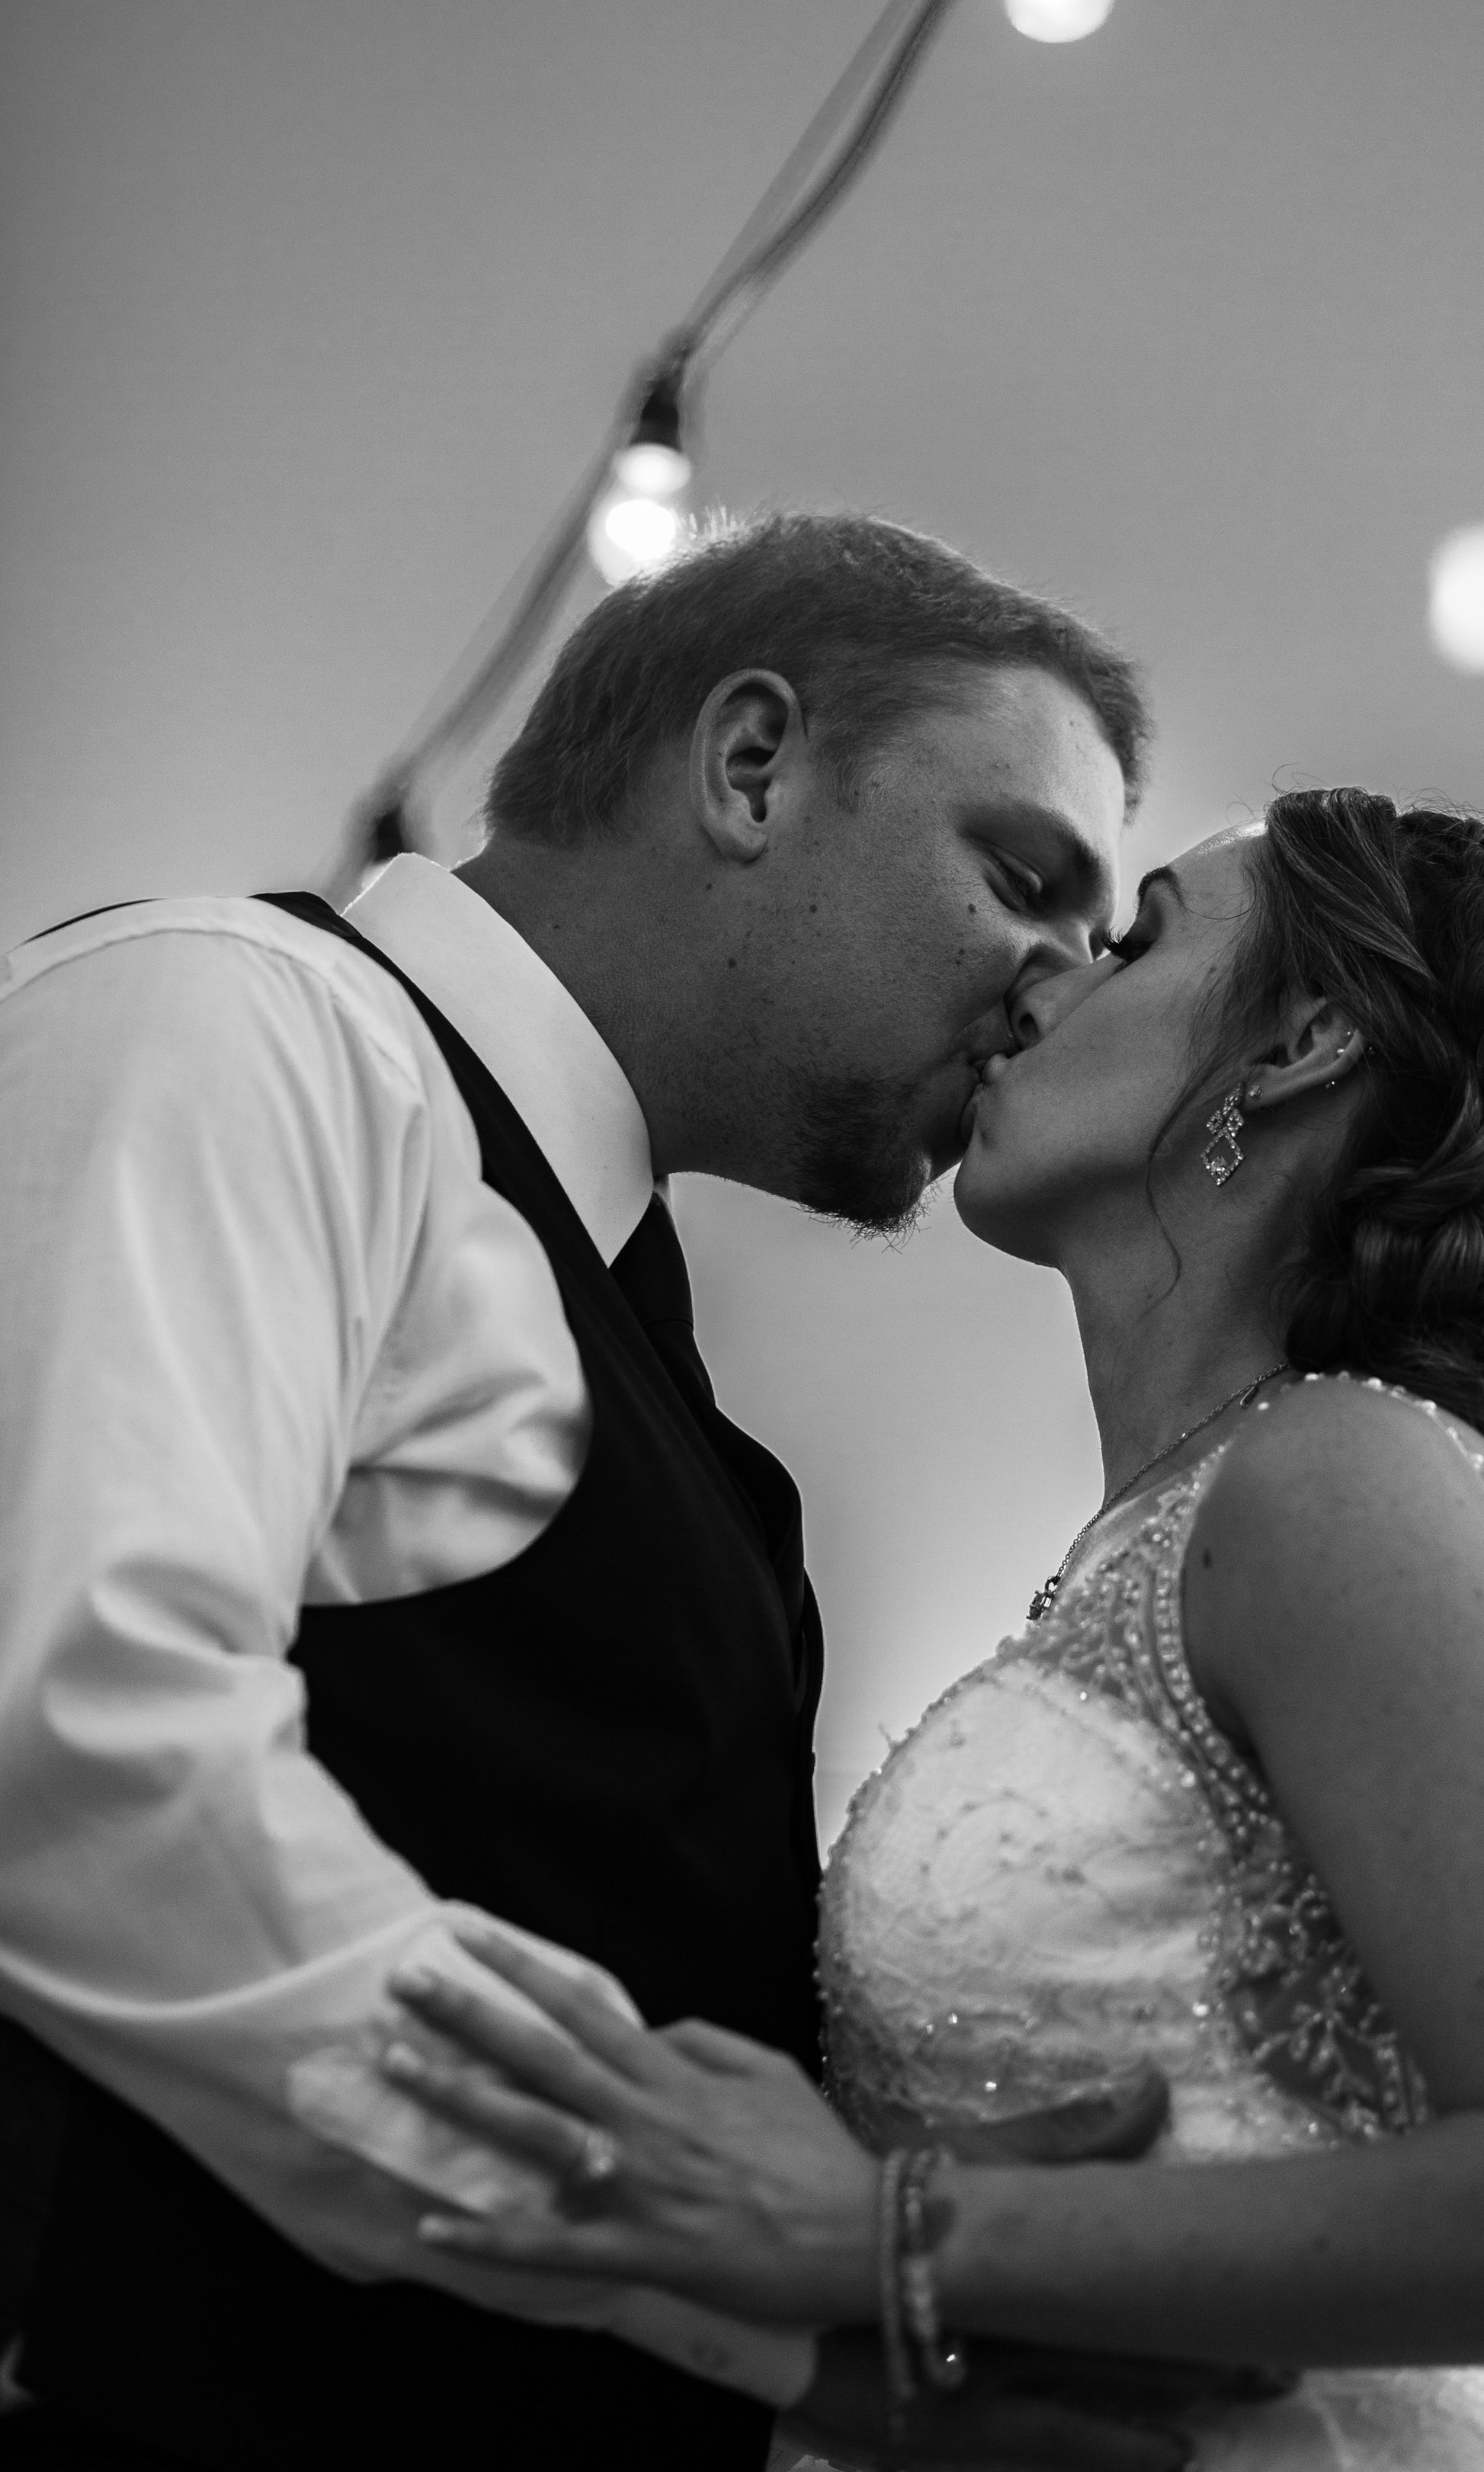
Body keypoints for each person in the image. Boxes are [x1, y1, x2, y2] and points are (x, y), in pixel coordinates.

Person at [0, 512, 1200, 2472]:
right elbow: (72, 1746)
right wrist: (727, 2282)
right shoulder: (235, 1026)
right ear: (750, 768)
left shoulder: (651, 1344)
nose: (1055, 990)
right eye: (1021, 879)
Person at [364, 788, 1484, 2471]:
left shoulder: (1343, 1478)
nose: (1037, 982)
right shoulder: (1186, 1521)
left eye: (1137, 936)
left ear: (1300, 1044)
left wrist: (877, 2230)